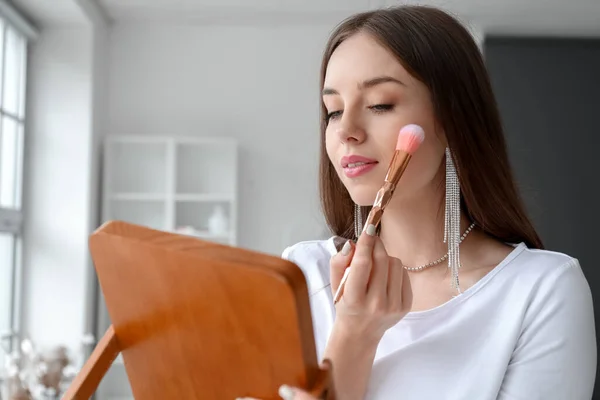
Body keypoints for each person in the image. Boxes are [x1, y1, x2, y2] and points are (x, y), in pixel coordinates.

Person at [240, 5, 597, 400]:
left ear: (451, 121)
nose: (347, 131)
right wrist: (353, 335)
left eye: (380, 104)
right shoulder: (302, 275)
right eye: (334, 110)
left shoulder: (540, 290)